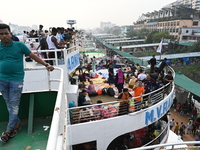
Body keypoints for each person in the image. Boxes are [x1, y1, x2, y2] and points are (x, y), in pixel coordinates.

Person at [0, 23, 54, 143]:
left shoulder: (19, 45)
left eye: (6, 33)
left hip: (16, 79)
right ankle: (17, 124)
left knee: (14, 104)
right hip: (2, 80)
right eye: (1, 34)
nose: (4, 36)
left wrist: (46, 64)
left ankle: (9, 129)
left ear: (10, 34)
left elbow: (33, 56)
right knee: (8, 102)